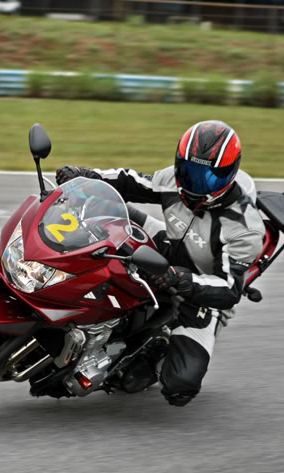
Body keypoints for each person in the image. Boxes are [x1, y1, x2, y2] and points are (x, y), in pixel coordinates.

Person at [55, 120, 265, 406]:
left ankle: (156, 350)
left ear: (229, 173)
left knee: (179, 389)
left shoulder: (244, 228)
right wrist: (87, 176)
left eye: (208, 178)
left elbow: (229, 290)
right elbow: (132, 182)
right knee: (102, 209)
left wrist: (183, 279)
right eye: (189, 171)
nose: (195, 184)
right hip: (168, 247)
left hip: (200, 289)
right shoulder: (174, 180)